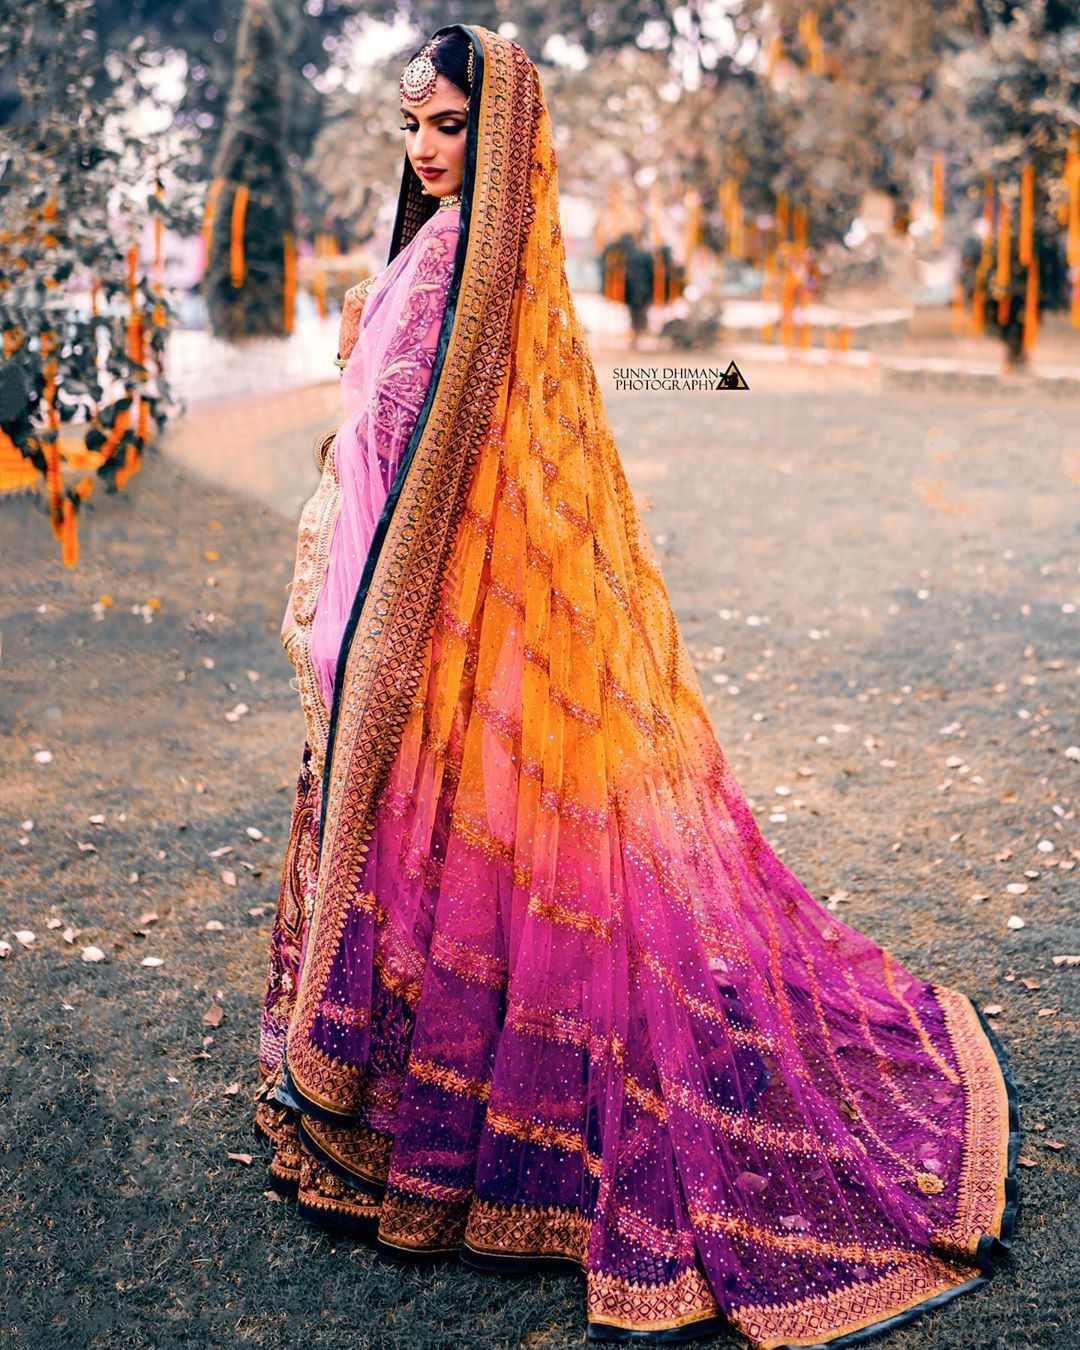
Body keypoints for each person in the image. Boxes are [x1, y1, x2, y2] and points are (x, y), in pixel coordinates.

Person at [256, 24, 1018, 1347]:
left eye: (448, 125)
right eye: (412, 128)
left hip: (440, 626)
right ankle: (387, 1118)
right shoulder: (423, 265)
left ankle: (468, 1144)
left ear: (501, 138)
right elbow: (378, 436)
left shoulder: (477, 288)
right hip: (385, 615)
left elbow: (467, 468)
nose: (428, 150)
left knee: (499, 884)